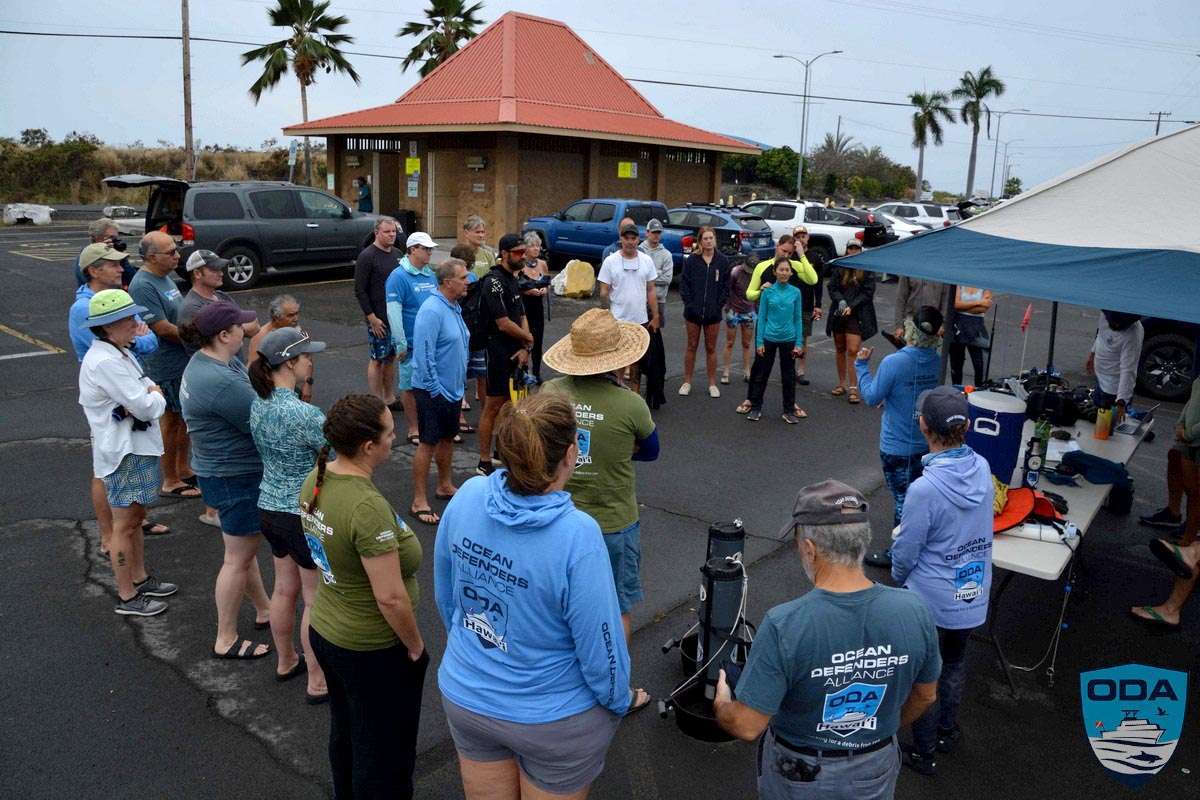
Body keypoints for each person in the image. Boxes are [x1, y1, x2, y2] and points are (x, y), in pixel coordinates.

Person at [434, 392, 636, 800]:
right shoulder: (577, 535)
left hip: (469, 695)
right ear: (570, 454)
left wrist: (479, 654)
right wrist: (618, 701)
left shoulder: (469, 496)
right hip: (553, 719)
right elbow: (601, 645)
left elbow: (447, 596)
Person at [713, 480, 940, 800]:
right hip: (876, 763)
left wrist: (723, 703)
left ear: (809, 548)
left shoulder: (786, 624)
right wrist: (874, 730)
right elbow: (926, 695)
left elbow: (748, 726)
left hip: (802, 772)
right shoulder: (914, 609)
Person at [301, 394, 427, 800]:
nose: (395, 439)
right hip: (369, 648)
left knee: (348, 733)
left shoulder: (316, 477)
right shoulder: (365, 506)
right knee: (384, 753)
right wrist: (414, 645)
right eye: (390, 433)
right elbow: (390, 598)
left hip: (328, 630)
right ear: (369, 446)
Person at [542, 309, 657, 710]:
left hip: (558, 516)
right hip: (612, 519)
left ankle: (567, 679)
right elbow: (651, 451)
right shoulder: (630, 404)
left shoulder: (552, 392)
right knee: (617, 606)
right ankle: (616, 688)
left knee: (561, 605)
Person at [890, 386, 994, 774]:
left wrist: (899, 578)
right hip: (971, 589)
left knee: (923, 676)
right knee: (954, 664)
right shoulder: (982, 468)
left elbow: (906, 552)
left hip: (931, 599)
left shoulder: (925, 488)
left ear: (923, 426)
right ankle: (947, 731)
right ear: (966, 426)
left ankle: (924, 750)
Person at [180, 301, 273, 660]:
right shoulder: (217, 380)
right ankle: (226, 638)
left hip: (218, 471)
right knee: (237, 558)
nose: (245, 330)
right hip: (234, 476)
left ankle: (264, 608)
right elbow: (263, 422)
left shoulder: (209, 360)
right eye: (240, 326)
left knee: (241, 551)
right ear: (223, 335)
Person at [78, 289, 178, 616]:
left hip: (133, 447)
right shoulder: (107, 361)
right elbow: (147, 405)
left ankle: (139, 577)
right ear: (109, 326)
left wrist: (150, 393)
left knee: (134, 519)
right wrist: (155, 395)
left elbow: (144, 388)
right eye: (128, 319)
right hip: (125, 452)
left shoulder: (118, 352)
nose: (136, 323)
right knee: (125, 523)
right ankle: (126, 595)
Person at [248, 326, 330, 703]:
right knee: (314, 599)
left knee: (283, 588)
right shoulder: (304, 412)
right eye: (306, 356)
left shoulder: (258, 403)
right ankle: (317, 679)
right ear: (289, 362)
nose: (311, 361)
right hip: (300, 510)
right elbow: (330, 452)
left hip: (268, 505)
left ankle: (285, 661)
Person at [70, 243, 168, 551]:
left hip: (124, 391)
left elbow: (147, 339)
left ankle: (125, 529)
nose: (120, 268)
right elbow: (141, 343)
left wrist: (138, 340)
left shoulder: (113, 318)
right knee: (106, 474)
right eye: (111, 264)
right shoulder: (86, 311)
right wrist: (138, 342)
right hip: (115, 404)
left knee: (128, 504)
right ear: (93, 270)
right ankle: (110, 536)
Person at [856, 305, 944, 569]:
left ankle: (900, 557)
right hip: (926, 442)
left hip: (897, 445)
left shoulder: (895, 362)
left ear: (910, 330)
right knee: (919, 499)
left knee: (904, 503)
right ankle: (919, 546)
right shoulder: (938, 361)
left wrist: (861, 366)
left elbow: (872, 396)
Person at [128, 231, 202, 500]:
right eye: (171, 252)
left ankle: (183, 467)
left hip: (182, 360)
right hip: (166, 365)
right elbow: (161, 328)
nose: (177, 255)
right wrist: (201, 336)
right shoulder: (143, 285)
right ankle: (169, 479)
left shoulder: (164, 277)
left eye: (176, 250)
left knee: (184, 418)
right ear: (151, 257)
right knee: (170, 421)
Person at [410, 258, 471, 526]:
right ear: (448, 282)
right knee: (428, 442)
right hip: (433, 391)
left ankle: (444, 485)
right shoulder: (432, 310)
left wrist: (456, 389)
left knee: (447, 437)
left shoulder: (454, 306)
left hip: (452, 390)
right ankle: (418, 500)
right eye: (463, 277)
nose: (468, 282)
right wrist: (437, 390)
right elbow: (424, 354)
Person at [476, 234, 535, 476]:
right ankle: (483, 460)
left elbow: (521, 315)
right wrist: (528, 339)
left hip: (515, 348)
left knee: (512, 404)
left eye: (524, 252)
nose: (523, 256)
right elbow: (502, 323)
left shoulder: (513, 279)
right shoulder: (493, 282)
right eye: (518, 253)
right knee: (493, 404)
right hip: (497, 349)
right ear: (504, 253)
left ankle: (502, 451)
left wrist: (525, 347)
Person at [385, 231, 440, 446]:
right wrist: (400, 343)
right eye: (425, 249)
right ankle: (413, 427)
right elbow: (393, 312)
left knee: (431, 383)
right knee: (409, 387)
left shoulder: (430, 274)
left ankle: (428, 423)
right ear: (412, 249)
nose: (429, 252)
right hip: (410, 342)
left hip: (432, 340)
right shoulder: (398, 276)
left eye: (430, 249)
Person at [597, 222, 660, 393]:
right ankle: (616, 395)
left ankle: (635, 396)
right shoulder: (610, 261)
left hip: (640, 320)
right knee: (617, 360)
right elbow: (603, 291)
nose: (630, 242)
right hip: (617, 320)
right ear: (621, 239)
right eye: (627, 238)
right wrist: (606, 315)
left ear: (639, 240)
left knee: (636, 362)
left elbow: (651, 289)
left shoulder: (646, 260)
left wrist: (655, 316)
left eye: (634, 238)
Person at [1139, 373, 1200, 543]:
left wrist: (1188, 434)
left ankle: (1189, 539)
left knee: (1196, 493)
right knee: (1174, 456)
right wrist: (1180, 423)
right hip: (1187, 435)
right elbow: (1193, 399)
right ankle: (1174, 514)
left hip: (1193, 437)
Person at [745, 259, 805, 424]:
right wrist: (759, 343)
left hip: (789, 339)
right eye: (781, 270)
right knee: (762, 374)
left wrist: (799, 343)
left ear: (791, 273)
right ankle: (756, 407)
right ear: (775, 272)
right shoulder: (767, 292)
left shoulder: (796, 292)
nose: (784, 273)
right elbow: (762, 318)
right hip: (768, 338)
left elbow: (798, 318)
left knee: (789, 376)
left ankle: (788, 410)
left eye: (787, 270)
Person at [678, 226, 732, 398]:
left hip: (713, 313)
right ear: (700, 241)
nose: (709, 241)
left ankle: (712, 383)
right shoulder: (692, 260)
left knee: (711, 348)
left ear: (715, 239)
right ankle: (687, 382)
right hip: (693, 312)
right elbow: (684, 284)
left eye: (711, 238)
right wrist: (690, 304)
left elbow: (726, 286)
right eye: (705, 238)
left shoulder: (722, 261)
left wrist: (718, 305)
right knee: (691, 346)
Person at [354, 217, 402, 407]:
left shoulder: (398, 254)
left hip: (394, 318)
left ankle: (389, 397)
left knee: (390, 359)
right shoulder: (367, 256)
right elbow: (360, 290)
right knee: (377, 359)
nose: (391, 235)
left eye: (394, 232)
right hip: (378, 319)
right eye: (387, 232)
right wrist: (371, 318)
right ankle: (376, 401)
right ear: (377, 233)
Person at [825, 242, 877, 404]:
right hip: (839, 313)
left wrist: (852, 306)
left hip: (857, 314)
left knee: (853, 349)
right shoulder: (840, 266)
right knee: (840, 347)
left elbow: (868, 292)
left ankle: (854, 388)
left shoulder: (866, 268)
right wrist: (841, 301)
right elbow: (832, 287)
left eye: (856, 248)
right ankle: (842, 384)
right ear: (846, 249)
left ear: (861, 250)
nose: (853, 251)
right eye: (850, 248)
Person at [179, 250, 261, 340]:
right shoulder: (192, 307)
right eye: (214, 269)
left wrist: (237, 329)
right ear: (197, 273)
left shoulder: (222, 296)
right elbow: (220, 340)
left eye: (220, 269)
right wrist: (243, 329)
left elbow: (254, 324)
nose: (221, 273)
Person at [1086, 309, 1144, 425]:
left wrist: (1121, 402)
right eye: (1113, 322)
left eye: (1119, 324)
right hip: (1100, 381)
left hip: (1114, 391)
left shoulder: (1133, 335)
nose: (1116, 325)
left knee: (1107, 429)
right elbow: (1101, 335)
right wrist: (1092, 354)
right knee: (1093, 423)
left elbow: (1128, 370)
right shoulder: (1105, 315)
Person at [451, 242, 489, 414]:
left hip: (467, 329)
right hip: (471, 329)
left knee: (467, 371)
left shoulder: (467, 279)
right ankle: (476, 403)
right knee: (475, 372)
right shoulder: (471, 278)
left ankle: (467, 401)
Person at [247, 295, 308, 400]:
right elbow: (252, 368)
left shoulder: (295, 330)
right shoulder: (261, 336)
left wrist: (308, 383)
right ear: (276, 318)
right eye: (290, 315)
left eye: (297, 313)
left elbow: (307, 357)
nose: (296, 319)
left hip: (290, 383)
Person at [793, 226, 825, 385]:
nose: (800, 238)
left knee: (803, 338)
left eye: (803, 235)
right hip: (790, 303)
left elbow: (818, 284)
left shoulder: (815, 258)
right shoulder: (790, 256)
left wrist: (818, 304)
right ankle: (789, 368)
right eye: (797, 236)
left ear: (808, 237)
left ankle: (801, 370)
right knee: (789, 337)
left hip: (806, 303)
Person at [520, 231, 550, 383]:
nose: (536, 249)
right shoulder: (520, 264)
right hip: (524, 306)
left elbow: (547, 283)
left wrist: (545, 290)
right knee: (524, 339)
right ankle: (523, 371)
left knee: (538, 340)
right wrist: (527, 290)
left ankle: (537, 372)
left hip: (538, 306)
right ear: (525, 248)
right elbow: (515, 285)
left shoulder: (542, 264)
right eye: (532, 246)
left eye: (538, 246)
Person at [722, 254, 756, 386]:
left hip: (749, 311)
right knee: (730, 342)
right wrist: (728, 306)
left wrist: (756, 309)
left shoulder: (756, 274)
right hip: (734, 310)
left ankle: (747, 371)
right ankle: (726, 371)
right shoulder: (735, 272)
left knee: (747, 343)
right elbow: (728, 289)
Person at [949, 286, 992, 386]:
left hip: (977, 327)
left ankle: (979, 392)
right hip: (958, 326)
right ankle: (956, 391)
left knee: (980, 365)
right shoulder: (959, 284)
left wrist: (963, 307)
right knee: (956, 365)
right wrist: (978, 302)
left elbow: (983, 308)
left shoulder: (985, 286)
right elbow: (956, 304)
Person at [76, 217, 138, 288]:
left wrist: (121, 257)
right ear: (97, 237)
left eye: (116, 238)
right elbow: (88, 281)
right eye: (111, 237)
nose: (114, 241)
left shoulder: (110, 254)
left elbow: (132, 278)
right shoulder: (86, 257)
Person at [892, 276, 950, 349]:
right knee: (908, 355)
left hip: (933, 325)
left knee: (928, 356)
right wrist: (898, 326)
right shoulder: (909, 268)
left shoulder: (942, 271)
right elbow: (901, 298)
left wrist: (943, 325)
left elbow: (946, 300)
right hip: (911, 323)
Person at [639, 218, 673, 325]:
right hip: (640, 300)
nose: (656, 235)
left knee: (656, 335)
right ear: (647, 233)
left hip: (659, 301)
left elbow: (667, 279)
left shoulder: (666, 255)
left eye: (658, 232)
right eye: (654, 232)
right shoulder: (639, 251)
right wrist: (658, 273)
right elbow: (637, 276)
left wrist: (647, 277)